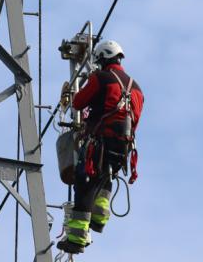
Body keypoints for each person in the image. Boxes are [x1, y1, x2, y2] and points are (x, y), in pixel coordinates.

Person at [57, 40, 144, 254]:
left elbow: (78, 103)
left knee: (84, 181)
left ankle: (76, 239)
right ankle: (99, 218)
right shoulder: (137, 88)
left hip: (100, 142)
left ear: (102, 59)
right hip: (123, 147)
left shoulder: (101, 78)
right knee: (107, 175)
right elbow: (135, 119)